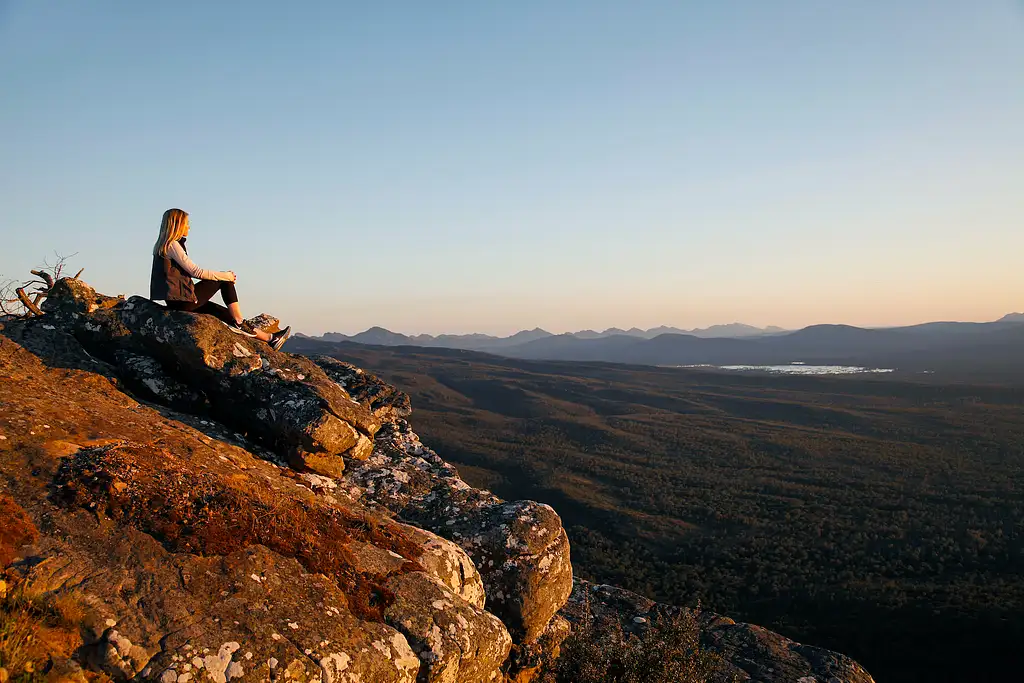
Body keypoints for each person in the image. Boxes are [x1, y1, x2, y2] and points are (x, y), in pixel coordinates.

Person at [150, 208, 291, 350]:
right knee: (225, 281)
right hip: (182, 301)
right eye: (186, 223)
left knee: (222, 312)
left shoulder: (163, 246)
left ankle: (270, 338)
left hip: (177, 302)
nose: (189, 226)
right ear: (178, 224)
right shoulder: (173, 245)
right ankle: (239, 321)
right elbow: (196, 272)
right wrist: (226, 275)